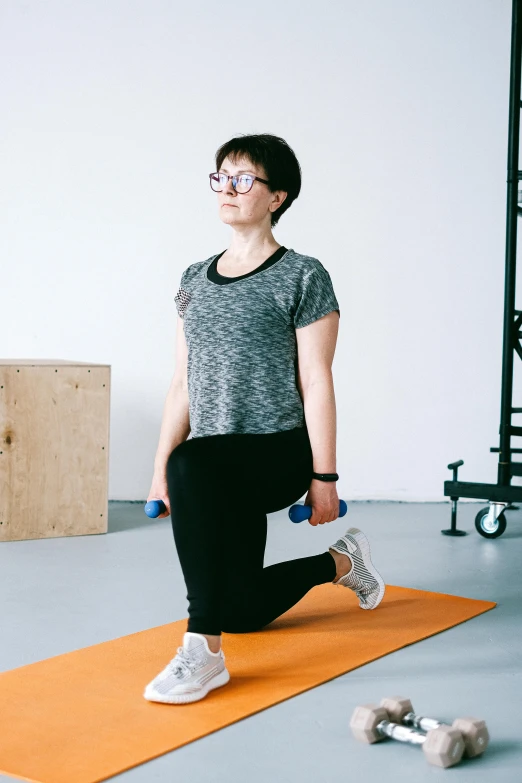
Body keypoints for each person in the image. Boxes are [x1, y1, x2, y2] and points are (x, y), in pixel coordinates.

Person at [144, 133, 385, 705]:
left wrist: (324, 478)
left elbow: (317, 382)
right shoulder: (192, 280)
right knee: (243, 609)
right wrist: (160, 471)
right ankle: (343, 561)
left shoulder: (302, 275)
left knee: (195, 461)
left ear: (277, 196)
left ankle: (201, 652)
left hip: (276, 452)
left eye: (244, 178)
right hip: (214, 463)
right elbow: (181, 382)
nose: (227, 187)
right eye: (221, 176)